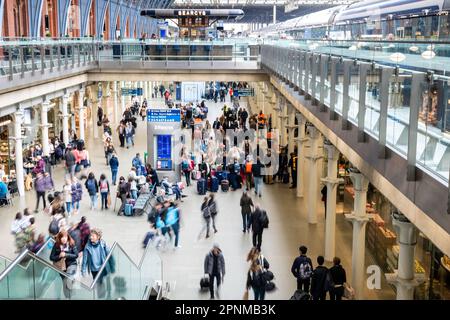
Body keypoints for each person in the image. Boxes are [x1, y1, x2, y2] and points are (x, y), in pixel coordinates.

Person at [81, 228, 115, 299]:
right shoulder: (87, 247)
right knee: (99, 283)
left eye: (93, 236)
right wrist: (83, 271)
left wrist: (112, 267)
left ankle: (108, 294)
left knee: (106, 280)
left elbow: (110, 255)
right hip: (94, 269)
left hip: (103, 267)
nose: (91, 237)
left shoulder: (103, 244)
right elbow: (84, 260)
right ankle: (101, 296)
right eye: (90, 236)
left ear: (98, 237)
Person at [50, 230, 78, 299]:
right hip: (61, 267)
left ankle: (70, 286)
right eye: (62, 237)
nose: (64, 239)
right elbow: (51, 257)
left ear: (67, 237)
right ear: (59, 238)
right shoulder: (56, 245)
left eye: (65, 237)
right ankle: (68, 297)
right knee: (65, 283)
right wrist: (59, 256)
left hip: (71, 264)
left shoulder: (71, 244)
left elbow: (76, 255)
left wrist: (66, 255)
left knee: (68, 279)